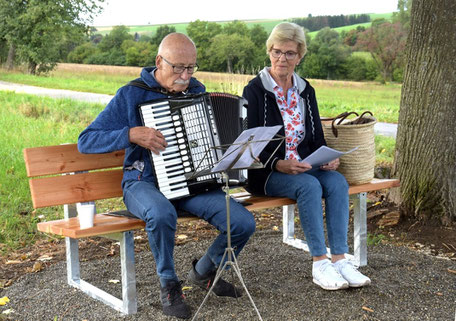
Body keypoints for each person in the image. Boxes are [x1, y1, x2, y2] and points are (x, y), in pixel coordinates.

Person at [78, 33, 255, 319]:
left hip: (191, 181)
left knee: (243, 222)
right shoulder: (131, 94)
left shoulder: (197, 89)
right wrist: (131, 134)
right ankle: (169, 284)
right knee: (161, 215)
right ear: (159, 61)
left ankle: (203, 271)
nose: (185, 76)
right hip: (142, 182)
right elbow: (86, 141)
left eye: (191, 68)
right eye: (178, 68)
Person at [242, 22, 370, 291]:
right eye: (277, 51)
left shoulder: (305, 90)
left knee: (336, 181)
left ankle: (340, 258)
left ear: (300, 56)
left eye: (289, 53)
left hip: (303, 165)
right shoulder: (255, 90)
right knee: (310, 186)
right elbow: (249, 144)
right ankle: (319, 263)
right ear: (269, 52)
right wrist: (278, 163)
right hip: (265, 172)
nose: (282, 59)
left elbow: (315, 137)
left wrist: (327, 158)